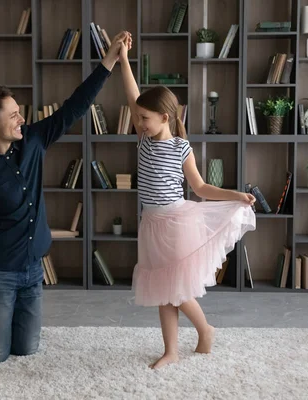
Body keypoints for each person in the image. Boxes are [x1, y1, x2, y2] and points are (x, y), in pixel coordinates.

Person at [0, 32, 131, 362]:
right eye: (13, 116)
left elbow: (74, 107)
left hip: (33, 269)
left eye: (19, 112)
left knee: (25, 348)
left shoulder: (33, 141)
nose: (21, 119)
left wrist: (109, 60)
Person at [118, 34, 256, 369]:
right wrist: (123, 59)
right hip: (151, 224)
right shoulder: (144, 140)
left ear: (165, 117)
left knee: (176, 290)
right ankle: (172, 350)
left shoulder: (181, 147)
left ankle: (205, 329)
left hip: (177, 224)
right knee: (164, 290)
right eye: (138, 118)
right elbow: (133, 95)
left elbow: (201, 187)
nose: (139, 123)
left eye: (145, 119)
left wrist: (236, 195)